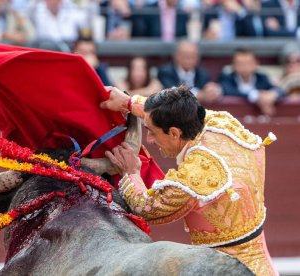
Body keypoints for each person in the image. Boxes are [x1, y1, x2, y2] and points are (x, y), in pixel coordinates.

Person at [100, 85, 278, 275]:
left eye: (152, 132)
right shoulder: (220, 123)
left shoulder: (193, 178)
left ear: (175, 133)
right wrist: (129, 102)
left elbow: (146, 207)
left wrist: (131, 173)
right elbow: (178, 111)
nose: (150, 139)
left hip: (223, 269)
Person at [218, 48, 283, 116]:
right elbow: (228, 90)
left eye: (248, 63)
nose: (244, 66)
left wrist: (273, 95)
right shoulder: (226, 78)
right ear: (233, 65)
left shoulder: (262, 78)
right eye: (240, 63)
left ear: (256, 64)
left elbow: (280, 90)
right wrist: (256, 97)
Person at [157, 40, 222, 103]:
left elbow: (209, 90)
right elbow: (171, 91)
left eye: (192, 55)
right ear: (176, 56)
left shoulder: (203, 74)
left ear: (198, 58)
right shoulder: (165, 72)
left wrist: (213, 90)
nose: (188, 58)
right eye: (185, 55)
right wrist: (199, 95)